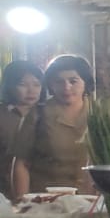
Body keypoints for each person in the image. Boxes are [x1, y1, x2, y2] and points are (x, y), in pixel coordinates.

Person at [12, 55, 94, 196]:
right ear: (50, 84)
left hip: (90, 199)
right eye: (59, 82)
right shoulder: (39, 114)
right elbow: (21, 163)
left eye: (73, 81)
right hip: (46, 198)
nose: (66, 87)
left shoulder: (99, 115)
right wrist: (22, 201)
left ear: (85, 82)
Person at [0, 61, 45, 199]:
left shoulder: (46, 115)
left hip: (40, 191)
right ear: (9, 86)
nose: (31, 90)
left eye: (37, 84)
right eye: (23, 84)